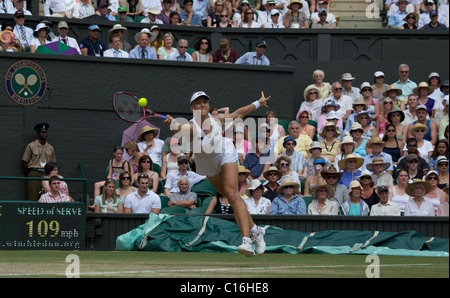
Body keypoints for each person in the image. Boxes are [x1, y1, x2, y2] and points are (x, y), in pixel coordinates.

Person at [163, 90, 270, 257]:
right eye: (198, 102)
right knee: (232, 196)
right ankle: (256, 230)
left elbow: (240, 113)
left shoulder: (218, 120)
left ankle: (247, 241)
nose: (203, 104)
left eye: (205, 101)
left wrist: (258, 102)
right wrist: (173, 125)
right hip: (207, 164)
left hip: (225, 153)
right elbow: (179, 129)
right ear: (192, 107)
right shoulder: (191, 126)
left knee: (232, 194)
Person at [22, 123, 56, 201]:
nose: (44, 134)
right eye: (42, 132)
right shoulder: (31, 145)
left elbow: (53, 163)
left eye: (45, 132)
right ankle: (31, 212)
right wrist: (29, 174)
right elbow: (24, 162)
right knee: (32, 196)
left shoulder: (50, 148)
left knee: (49, 196)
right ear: (38, 133)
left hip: (46, 173)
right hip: (34, 172)